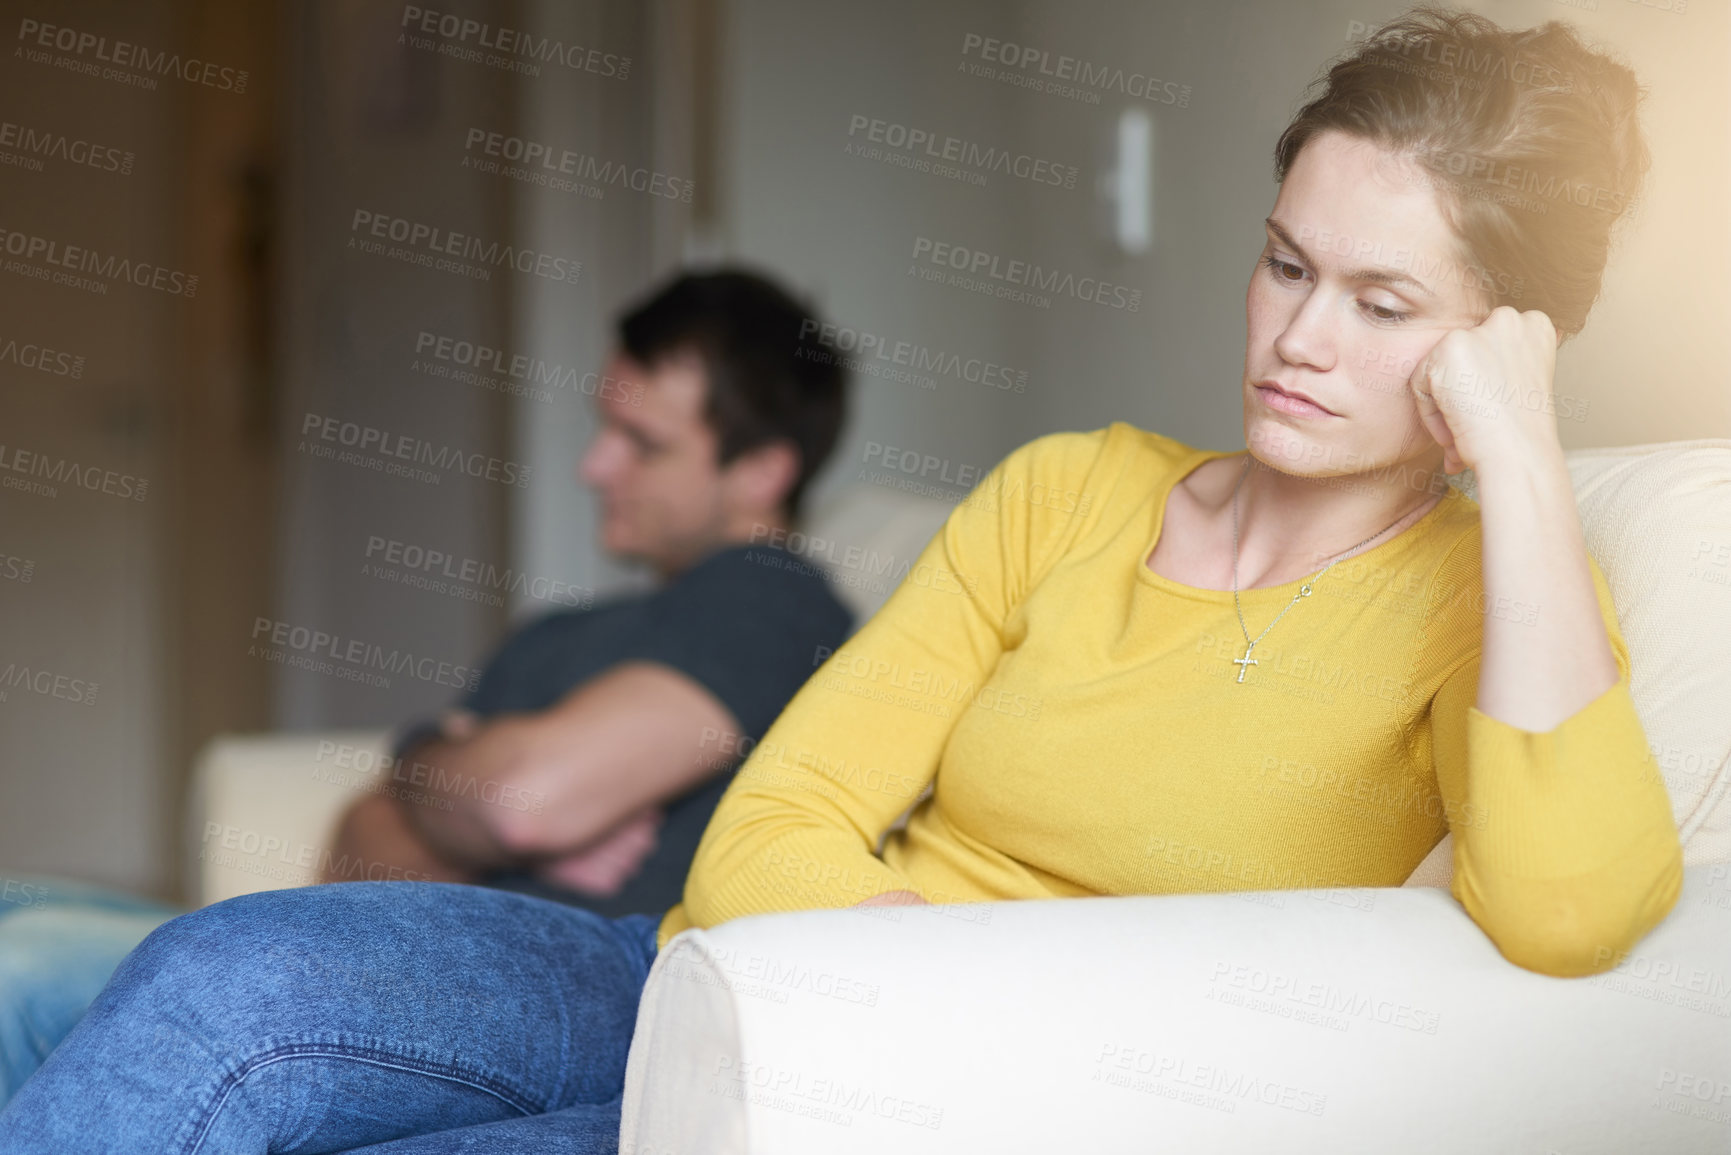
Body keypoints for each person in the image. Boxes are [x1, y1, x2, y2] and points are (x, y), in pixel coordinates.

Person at [0, 8, 1685, 1150]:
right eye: (1285, 263)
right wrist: (898, 943)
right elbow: (764, 834)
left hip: (896, 1096)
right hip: (701, 977)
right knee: (222, 981)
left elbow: (1568, 914)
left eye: (1384, 306)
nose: (1299, 339)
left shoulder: (1502, 615)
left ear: (1501, 345)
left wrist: (1527, 463)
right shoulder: (1068, 493)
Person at [0, 265, 854, 1107]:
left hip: (529, 994)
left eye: (643, 444)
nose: (595, 466)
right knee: (12, 908)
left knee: (22, 967)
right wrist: (440, 768)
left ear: (763, 471)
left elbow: (520, 799)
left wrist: (472, 793)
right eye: (605, 428)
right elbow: (355, 852)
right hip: (393, 954)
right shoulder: (560, 634)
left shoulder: (772, 604)